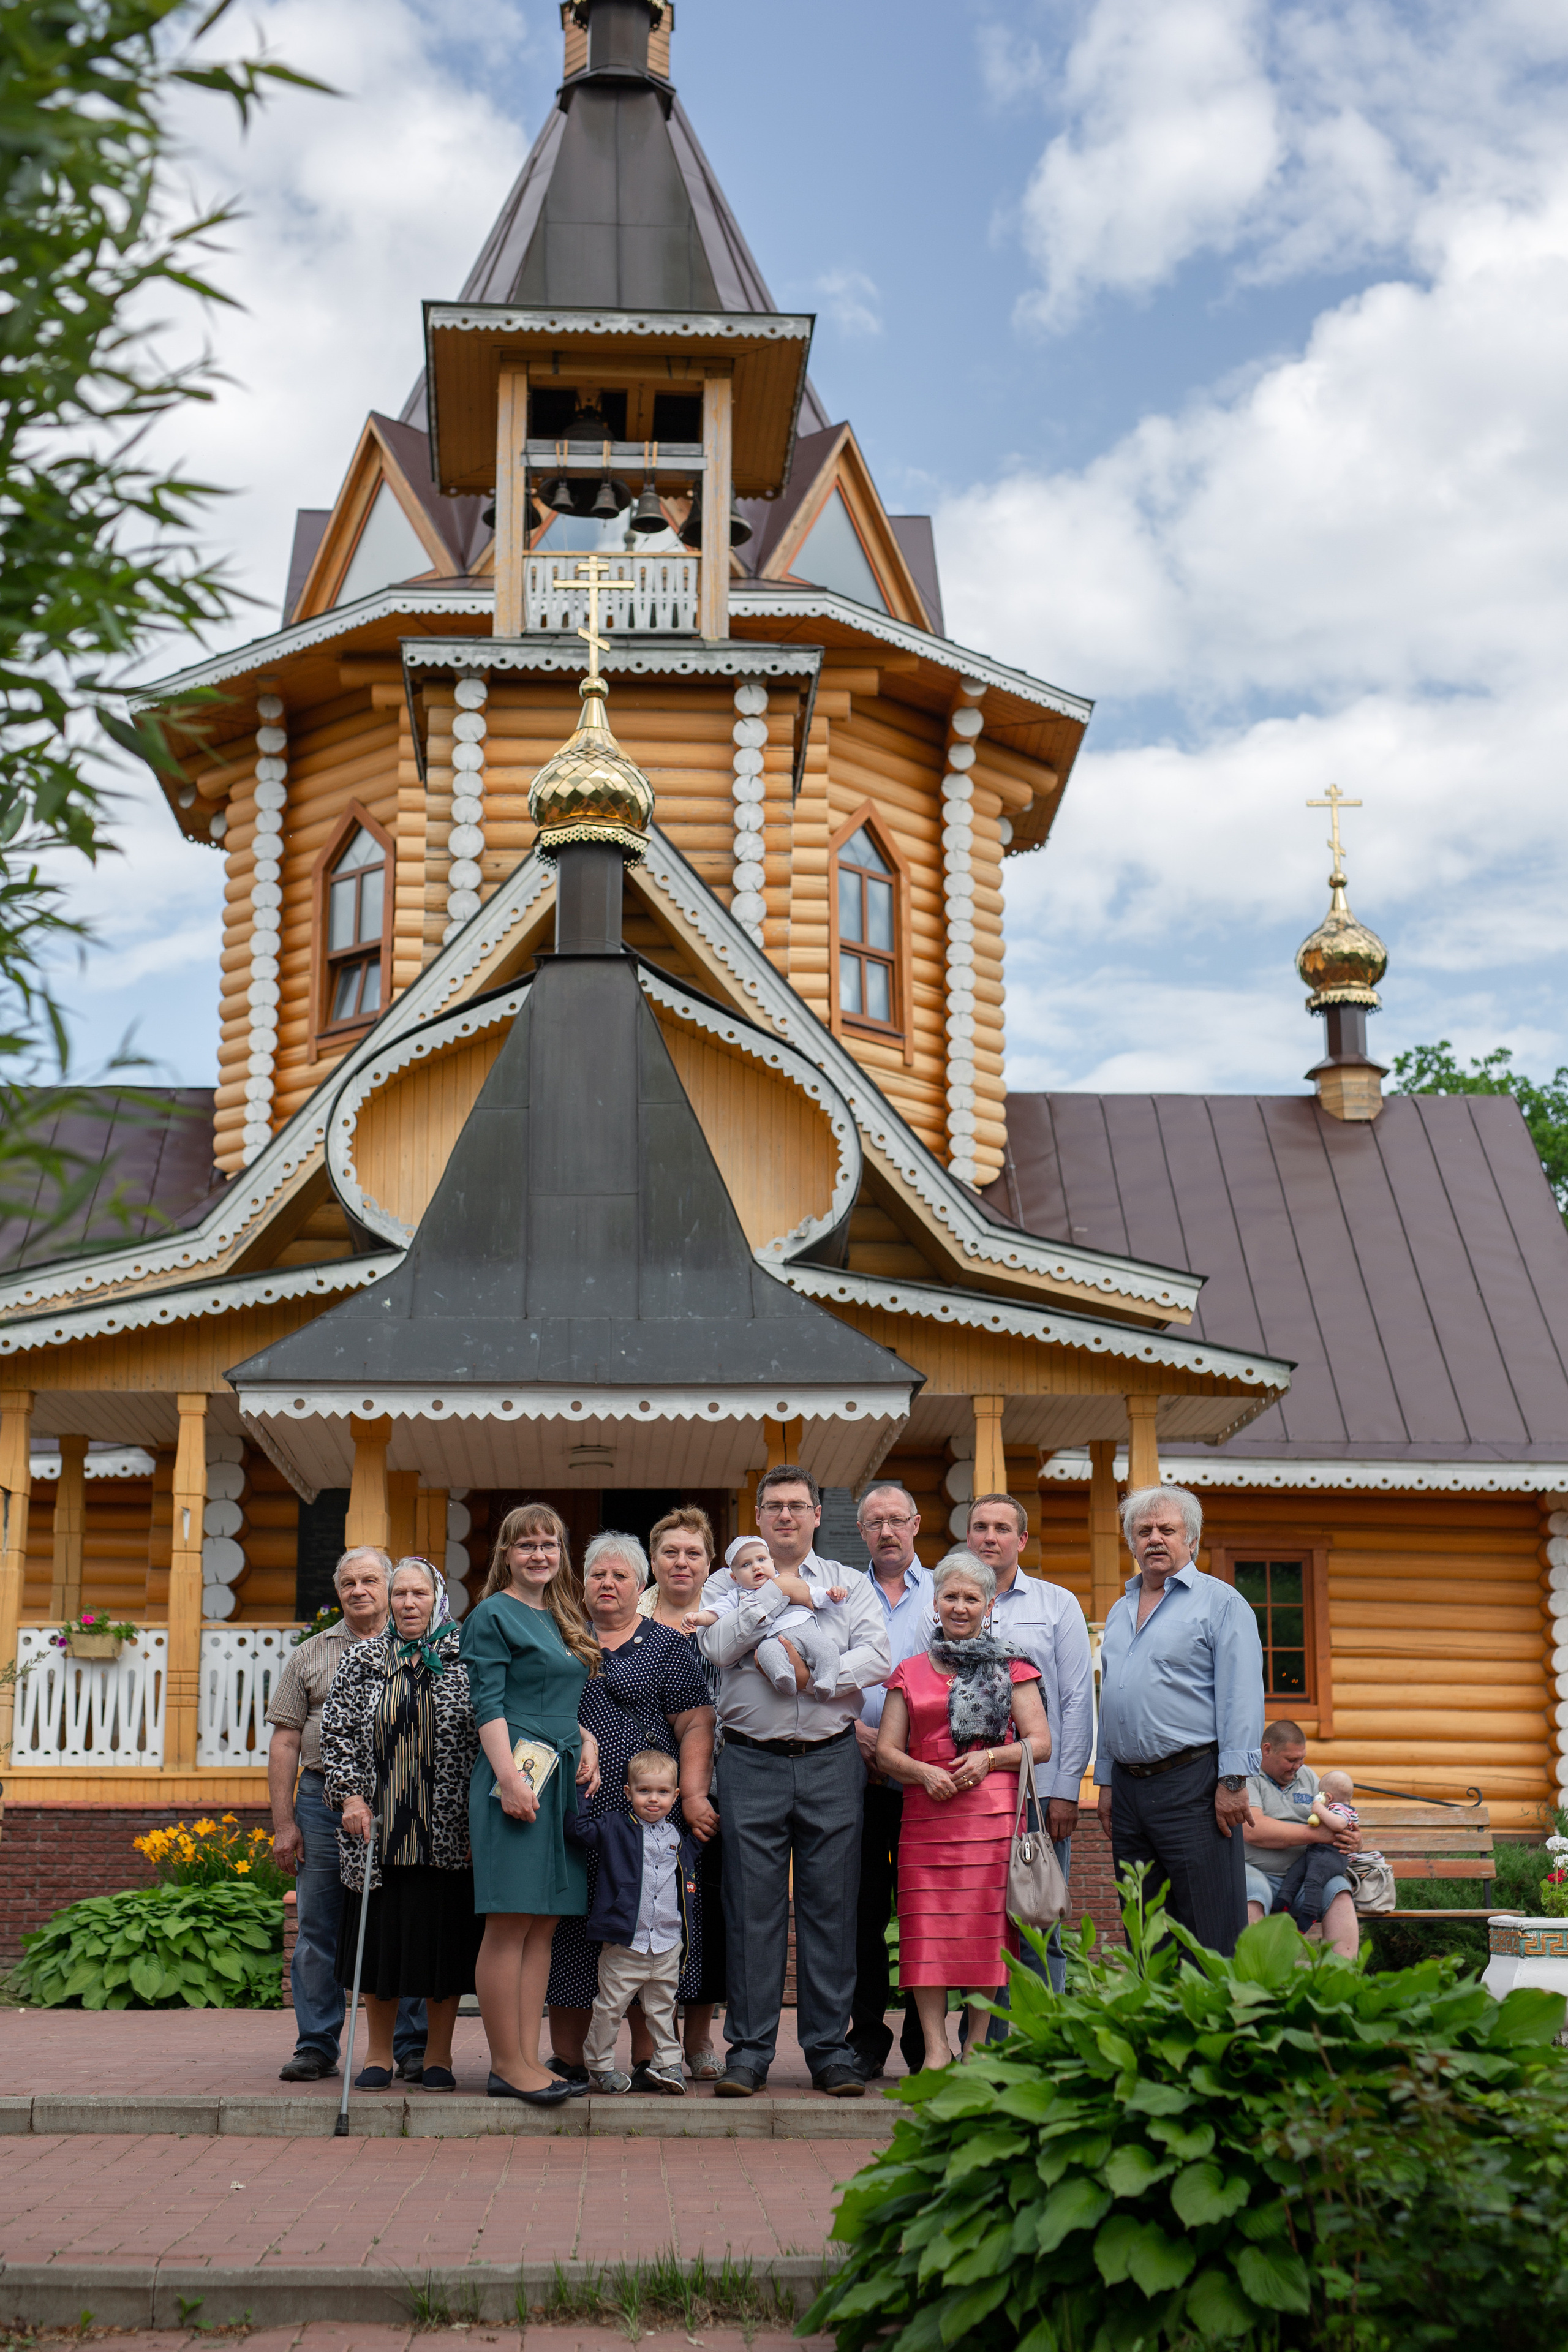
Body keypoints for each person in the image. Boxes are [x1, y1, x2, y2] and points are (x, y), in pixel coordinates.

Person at [699, 1463, 891, 2100]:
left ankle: (829, 2052)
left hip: (831, 1759)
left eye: (797, 1506)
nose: (786, 1515)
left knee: (831, 1908)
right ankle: (749, 2052)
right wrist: (774, 1593)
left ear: (816, 1515)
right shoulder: (727, 1582)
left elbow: (877, 1655)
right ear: (758, 1517)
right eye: (774, 1506)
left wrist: (818, 1682)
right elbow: (717, 1648)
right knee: (751, 1910)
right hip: (749, 1760)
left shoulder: (846, 1583)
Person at [545, 1529, 715, 2096]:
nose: (608, 1583)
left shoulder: (666, 1646)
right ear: (583, 1583)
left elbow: (697, 1721)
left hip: (650, 1817)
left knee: (649, 1928)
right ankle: (570, 2057)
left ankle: (648, 2057)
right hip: (579, 1812)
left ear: (640, 1585)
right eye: (598, 1574)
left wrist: (692, 1794)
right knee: (575, 1924)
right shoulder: (562, 1641)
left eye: (620, 1575)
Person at [874, 1550, 1050, 2070]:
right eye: (950, 1596)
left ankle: (975, 2045)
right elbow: (886, 1752)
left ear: (988, 1605)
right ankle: (936, 2049)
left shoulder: (1013, 1667)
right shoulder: (908, 1672)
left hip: (991, 1819)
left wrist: (989, 1757)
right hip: (926, 1816)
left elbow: (1039, 1744)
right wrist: (923, 1772)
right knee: (925, 1931)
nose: (959, 1606)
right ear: (935, 1604)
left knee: (985, 1931)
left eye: (971, 1598)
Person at [459, 1504, 603, 2105]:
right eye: (527, 1545)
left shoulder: (562, 1615)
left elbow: (560, 1698)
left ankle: (526, 2058)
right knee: (510, 1919)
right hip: (515, 1777)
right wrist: (509, 1779)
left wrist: (587, 1740)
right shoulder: (492, 1614)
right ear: (506, 1554)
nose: (539, 1555)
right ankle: (505, 2064)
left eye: (549, 1544)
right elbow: (488, 1704)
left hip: (559, 1774)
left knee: (543, 1923)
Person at [319, 1556, 481, 2090]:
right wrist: (350, 1797)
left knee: (443, 1949)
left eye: (419, 1594)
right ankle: (377, 2055)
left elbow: (490, 1737)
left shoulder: (467, 1656)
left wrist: (480, 1818)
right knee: (379, 1950)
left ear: (439, 1599)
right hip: (378, 1832)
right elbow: (337, 1734)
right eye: (400, 1594)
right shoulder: (364, 1658)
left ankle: (438, 2056)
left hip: (448, 1832)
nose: (409, 1604)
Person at [265, 1545, 425, 2083]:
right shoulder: (310, 1654)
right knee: (318, 1924)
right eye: (349, 1583)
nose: (359, 1591)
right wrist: (284, 1823)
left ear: (390, 1587)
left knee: (405, 1919)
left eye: (370, 1581)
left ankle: (412, 2045)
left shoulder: (419, 1648)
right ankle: (316, 2045)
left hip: (402, 1803)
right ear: (338, 1592)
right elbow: (286, 1740)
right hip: (322, 1803)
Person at [1094, 1486, 1265, 1958]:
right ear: (1131, 1542)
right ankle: (1151, 2008)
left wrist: (1233, 1780)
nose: (1155, 1539)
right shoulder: (1120, 1610)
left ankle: (1214, 2008)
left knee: (1209, 1927)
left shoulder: (1221, 1603)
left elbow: (1241, 1697)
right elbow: (1112, 1700)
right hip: (1128, 1791)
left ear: (1192, 1539)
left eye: (1167, 1530)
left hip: (1194, 1785)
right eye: (1144, 1531)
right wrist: (1106, 1781)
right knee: (1143, 1928)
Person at [966, 1491, 1095, 1999]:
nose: (990, 1537)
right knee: (980, 1923)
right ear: (968, 1536)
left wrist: (1066, 1790)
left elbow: (1077, 1701)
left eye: (1002, 1529)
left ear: (1021, 1540)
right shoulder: (950, 1601)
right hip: (970, 1793)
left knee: (1040, 1921)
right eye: (980, 1527)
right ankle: (985, 2038)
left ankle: (1041, 2035)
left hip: (1037, 1794)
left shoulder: (1057, 1604)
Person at [636, 1506, 728, 2079]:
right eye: (670, 1551)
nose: (681, 1562)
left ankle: (697, 2039)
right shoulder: (630, 1620)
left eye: (693, 1553)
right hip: (644, 1791)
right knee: (645, 1914)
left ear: (710, 1562)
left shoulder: (731, 1618)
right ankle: (651, 2044)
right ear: (653, 1560)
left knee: (703, 1913)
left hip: (715, 1790)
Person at [847, 1481, 933, 2079]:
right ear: (861, 1532)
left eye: (896, 1520)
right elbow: (821, 1671)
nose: (886, 1531)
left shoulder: (945, 1592)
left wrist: (910, 1750)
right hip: (857, 1780)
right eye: (874, 1522)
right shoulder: (843, 1595)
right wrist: (855, 1731)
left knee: (926, 1913)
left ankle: (926, 2043)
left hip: (929, 1785)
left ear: (916, 1524)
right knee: (863, 1914)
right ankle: (867, 2039)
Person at [567, 1749, 701, 2095]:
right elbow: (577, 1830)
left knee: (663, 2009)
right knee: (609, 2008)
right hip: (625, 1943)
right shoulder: (615, 1826)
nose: (653, 1799)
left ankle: (669, 2064)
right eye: (644, 1791)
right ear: (628, 1792)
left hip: (667, 1944)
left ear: (675, 1796)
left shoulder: (678, 1837)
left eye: (662, 1792)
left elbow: (688, 1870)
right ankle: (600, 2065)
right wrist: (583, 1791)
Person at [1243, 1721, 1362, 1958]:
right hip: (1256, 1871)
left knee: (1339, 1891)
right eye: (1291, 1760)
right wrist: (1317, 1835)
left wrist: (1354, 1840)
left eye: (1302, 1759)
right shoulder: (1247, 1776)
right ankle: (1256, 1975)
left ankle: (1340, 1975)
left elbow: (1338, 1814)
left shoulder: (1307, 1777)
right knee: (1252, 1892)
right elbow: (1254, 1829)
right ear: (1267, 1750)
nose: (1297, 1766)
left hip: (1307, 1875)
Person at [688, 1536, 850, 1692]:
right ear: (734, 1578)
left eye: (761, 1560)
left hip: (803, 1628)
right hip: (771, 1638)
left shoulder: (788, 1579)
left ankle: (826, 1682)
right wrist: (698, 1617)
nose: (756, 1567)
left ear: (772, 1563)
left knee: (828, 1649)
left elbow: (815, 1595)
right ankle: (784, 1680)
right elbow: (716, 1612)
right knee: (766, 1654)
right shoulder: (737, 1596)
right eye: (746, 1565)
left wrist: (832, 1595)